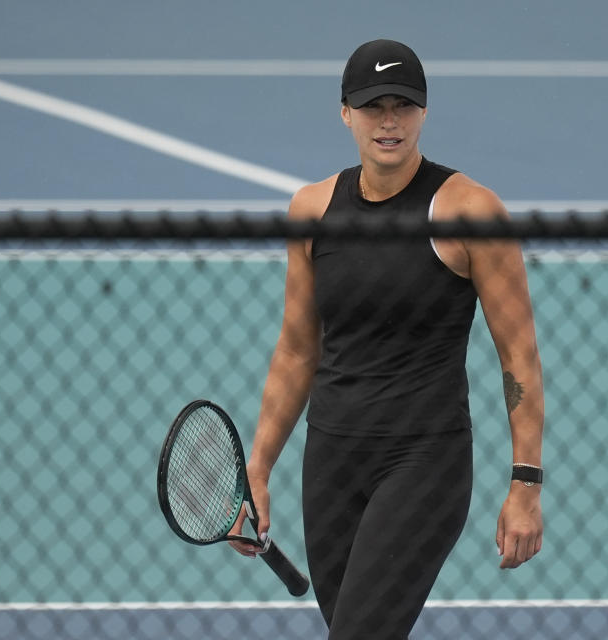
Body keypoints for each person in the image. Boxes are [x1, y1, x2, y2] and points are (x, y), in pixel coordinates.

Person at [229, 39, 544, 638]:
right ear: (346, 112)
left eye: (404, 105)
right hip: (332, 465)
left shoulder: (471, 211)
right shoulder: (312, 208)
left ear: (425, 112)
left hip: (424, 461)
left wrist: (525, 483)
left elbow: (519, 356)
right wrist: (259, 470)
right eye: (374, 106)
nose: (390, 121)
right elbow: (297, 349)